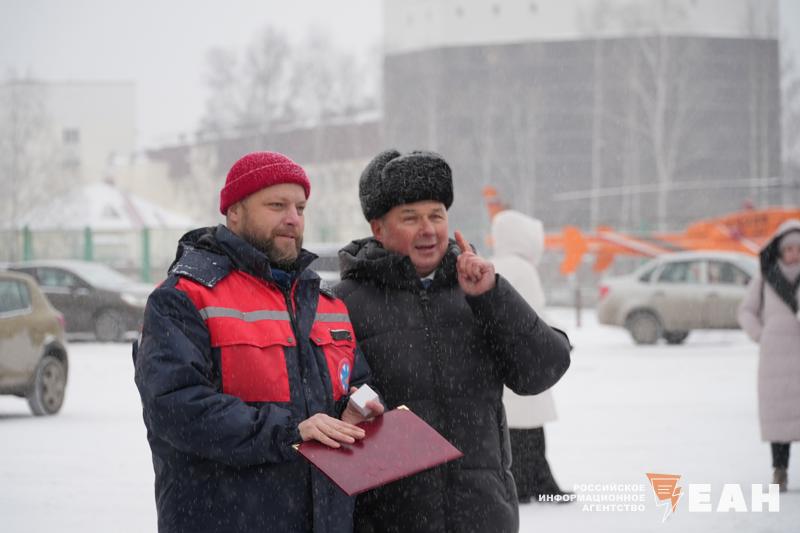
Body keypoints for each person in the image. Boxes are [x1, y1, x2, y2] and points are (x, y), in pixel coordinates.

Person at [133, 151, 384, 533]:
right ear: (234, 212)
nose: (293, 218)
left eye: (300, 208)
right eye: (276, 205)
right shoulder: (184, 297)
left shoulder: (324, 302)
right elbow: (175, 408)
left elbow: (357, 381)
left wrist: (356, 407)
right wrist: (289, 431)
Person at [334, 149, 572, 532]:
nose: (428, 229)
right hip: (390, 520)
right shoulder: (343, 304)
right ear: (378, 229)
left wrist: (492, 296)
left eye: (436, 215)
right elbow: (324, 412)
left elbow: (541, 371)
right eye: (410, 218)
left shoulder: (479, 289)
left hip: (483, 514)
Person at [489, 209, 571, 503]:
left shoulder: (493, 264)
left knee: (513, 431)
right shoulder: (524, 269)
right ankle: (535, 483)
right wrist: (557, 339)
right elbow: (535, 316)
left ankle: (527, 483)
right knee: (531, 431)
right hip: (527, 358)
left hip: (503, 361)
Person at [737, 219, 800, 493]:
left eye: (799, 249)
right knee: (779, 416)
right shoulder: (765, 278)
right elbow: (746, 311)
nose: (794, 254)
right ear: (780, 251)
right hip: (775, 356)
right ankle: (780, 469)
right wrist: (760, 334)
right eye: (789, 249)